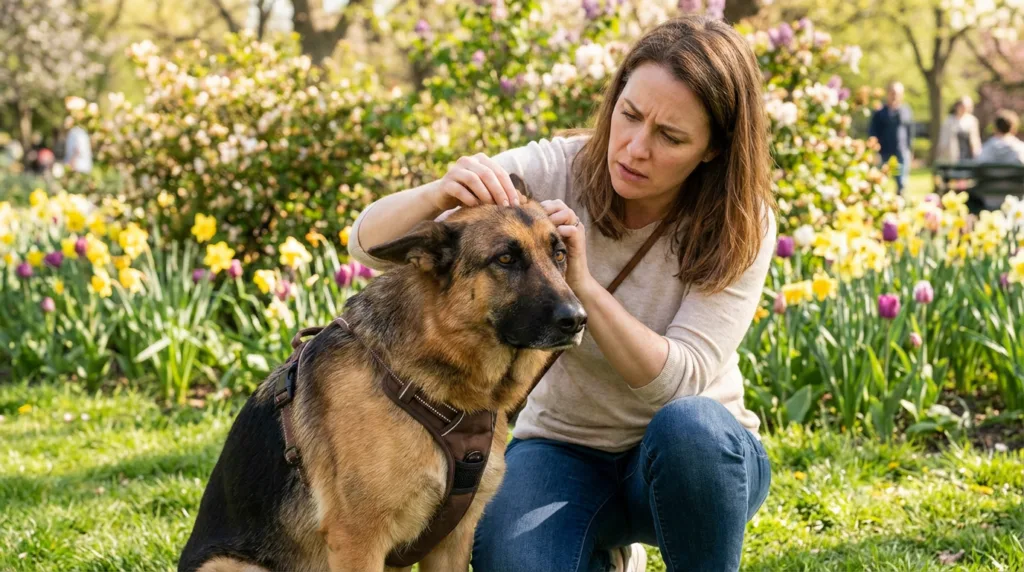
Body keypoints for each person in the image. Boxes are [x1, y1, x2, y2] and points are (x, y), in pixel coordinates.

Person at [349, 15, 776, 572]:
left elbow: (675, 384)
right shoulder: (554, 168)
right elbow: (366, 243)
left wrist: (576, 282)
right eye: (629, 115)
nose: (635, 148)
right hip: (563, 449)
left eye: (670, 137)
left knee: (690, 428)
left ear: (713, 149)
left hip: (696, 464)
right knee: (514, 560)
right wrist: (439, 191)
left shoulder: (740, 224)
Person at [868, 81, 914, 193]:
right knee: (880, 182)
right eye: (892, 93)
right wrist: (874, 151)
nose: (894, 96)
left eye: (897, 93)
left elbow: (910, 131)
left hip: (901, 151)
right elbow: (873, 132)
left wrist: (910, 149)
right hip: (884, 151)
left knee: (901, 182)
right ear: (888, 94)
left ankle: (900, 204)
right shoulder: (879, 112)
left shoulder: (906, 110)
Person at [935, 97, 982, 163]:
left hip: (969, 154)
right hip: (953, 154)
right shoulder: (949, 121)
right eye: (962, 106)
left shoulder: (972, 121)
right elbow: (943, 140)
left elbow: (975, 139)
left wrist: (977, 153)